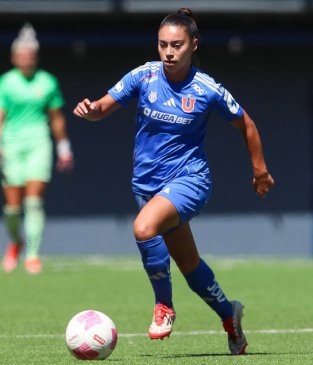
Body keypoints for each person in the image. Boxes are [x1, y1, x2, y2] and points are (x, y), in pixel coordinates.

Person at [73, 8, 274, 355]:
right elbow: (106, 104)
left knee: (143, 228)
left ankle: (163, 307)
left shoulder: (207, 89)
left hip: (189, 181)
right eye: (162, 44)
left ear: (194, 44)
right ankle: (230, 317)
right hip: (147, 186)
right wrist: (93, 111)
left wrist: (260, 171)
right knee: (190, 267)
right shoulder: (145, 76)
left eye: (176, 45)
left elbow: (247, 124)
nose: (168, 52)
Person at [0, 23, 74, 274]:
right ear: (14, 57)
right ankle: (16, 242)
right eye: (21, 55)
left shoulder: (48, 82)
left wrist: (64, 148)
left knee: (34, 202)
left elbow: (57, 118)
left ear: (35, 57)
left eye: (30, 55)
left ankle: (33, 255)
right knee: (13, 208)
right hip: (11, 146)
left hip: (39, 143)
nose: (26, 59)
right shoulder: (5, 84)